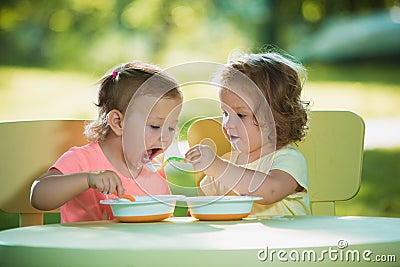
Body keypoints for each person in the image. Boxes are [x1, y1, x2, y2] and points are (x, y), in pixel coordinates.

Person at [30, 62, 183, 222]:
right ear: (118, 122)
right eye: (155, 126)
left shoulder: (155, 173)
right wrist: (88, 180)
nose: (165, 137)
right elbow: (39, 196)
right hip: (85, 246)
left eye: (171, 128)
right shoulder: (83, 160)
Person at [185, 51, 311, 217]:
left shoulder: (288, 160)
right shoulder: (227, 163)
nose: (228, 124)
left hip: (287, 243)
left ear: (275, 118)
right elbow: (205, 213)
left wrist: (217, 167)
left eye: (240, 115)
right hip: (241, 243)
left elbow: (270, 191)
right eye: (225, 113)